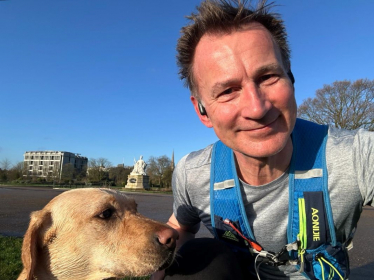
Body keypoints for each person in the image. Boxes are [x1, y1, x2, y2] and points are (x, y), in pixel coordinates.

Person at [152, 0, 374, 279]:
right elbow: (181, 226)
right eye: (228, 91)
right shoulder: (192, 174)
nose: (257, 108)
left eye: (268, 76)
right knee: (200, 260)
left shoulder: (356, 157)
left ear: (291, 78)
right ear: (202, 111)